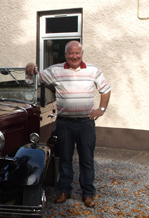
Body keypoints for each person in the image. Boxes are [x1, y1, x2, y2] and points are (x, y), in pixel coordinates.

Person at [26, 41, 111, 208]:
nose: (74, 56)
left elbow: (106, 89)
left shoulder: (92, 70)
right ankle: (64, 191)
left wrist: (101, 108)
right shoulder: (55, 71)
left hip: (86, 123)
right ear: (66, 55)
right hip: (64, 123)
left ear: (82, 53)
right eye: (71, 53)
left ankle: (88, 193)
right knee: (64, 158)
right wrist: (30, 67)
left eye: (77, 53)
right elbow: (33, 80)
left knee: (87, 159)